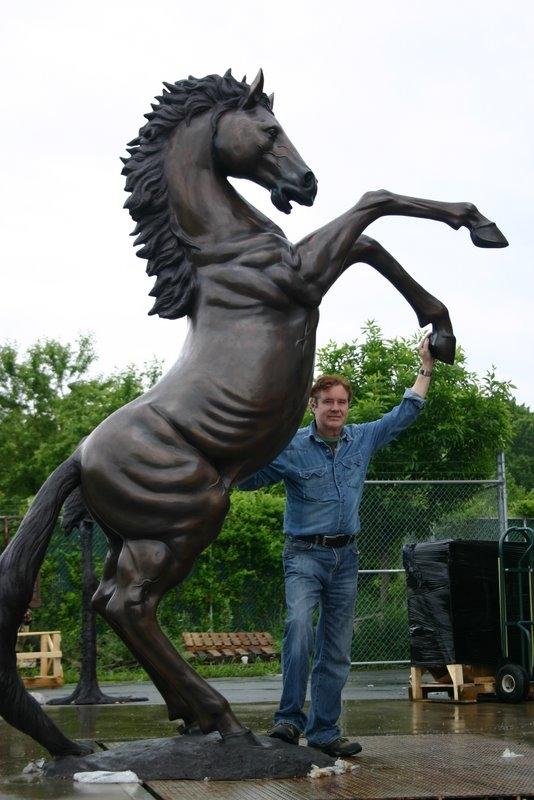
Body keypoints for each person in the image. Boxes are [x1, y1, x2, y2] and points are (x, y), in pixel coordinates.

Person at [238, 335, 435, 757]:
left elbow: (405, 413)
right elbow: (244, 477)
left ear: (348, 407)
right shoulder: (289, 448)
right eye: (327, 402)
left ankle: (325, 731)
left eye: (342, 402)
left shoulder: (361, 439)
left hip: (346, 559)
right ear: (313, 406)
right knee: (298, 629)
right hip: (304, 556)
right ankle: (289, 721)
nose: (335, 409)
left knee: (338, 647)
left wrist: (426, 366)